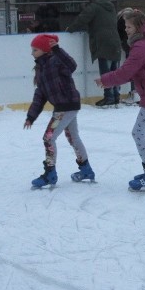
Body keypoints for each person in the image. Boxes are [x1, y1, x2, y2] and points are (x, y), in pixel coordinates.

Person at [95, 9, 145, 190]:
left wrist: (105, 80)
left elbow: (126, 72)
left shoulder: (140, 47)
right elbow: (131, 72)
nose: (126, 30)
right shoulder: (143, 43)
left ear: (138, 27)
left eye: (128, 26)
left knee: (138, 133)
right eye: (125, 26)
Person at [24, 33, 95, 188]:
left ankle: (50, 173)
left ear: (44, 50)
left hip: (66, 106)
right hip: (65, 107)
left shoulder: (57, 61)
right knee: (73, 137)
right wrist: (31, 115)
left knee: (48, 138)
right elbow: (40, 95)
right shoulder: (40, 68)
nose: (32, 53)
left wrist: (57, 49)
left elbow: (72, 65)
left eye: (35, 50)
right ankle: (86, 169)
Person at [66, 0, 123, 107]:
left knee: (105, 71)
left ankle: (109, 96)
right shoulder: (111, 6)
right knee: (114, 71)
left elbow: (82, 19)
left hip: (103, 42)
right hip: (115, 41)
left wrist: (70, 28)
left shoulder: (94, 7)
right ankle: (116, 95)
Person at [117, 7, 138, 104]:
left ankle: (135, 93)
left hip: (130, 46)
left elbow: (121, 34)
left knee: (132, 70)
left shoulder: (122, 21)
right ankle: (137, 93)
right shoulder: (135, 20)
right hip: (136, 45)